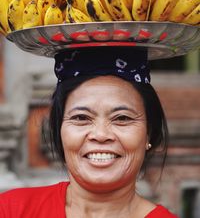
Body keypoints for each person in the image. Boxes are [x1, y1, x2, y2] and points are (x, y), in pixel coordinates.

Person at [0, 47, 178, 217]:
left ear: (149, 133)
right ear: (59, 131)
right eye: (81, 118)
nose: (100, 135)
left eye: (122, 118)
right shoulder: (11, 210)